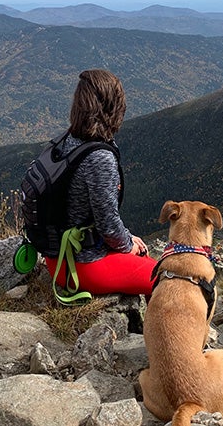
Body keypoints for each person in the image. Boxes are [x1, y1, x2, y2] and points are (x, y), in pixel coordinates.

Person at [43, 69, 156, 296]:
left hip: (57, 258)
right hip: (84, 266)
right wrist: (129, 244)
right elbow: (108, 225)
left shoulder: (66, 141)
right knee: (171, 279)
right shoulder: (99, 158)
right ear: (114, 107)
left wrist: (125, 236)